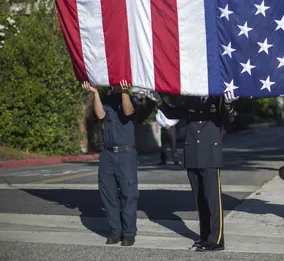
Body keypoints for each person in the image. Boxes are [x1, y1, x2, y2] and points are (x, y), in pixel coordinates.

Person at [147, 91, 236, 252]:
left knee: (213, 200)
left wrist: (229, 105)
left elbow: (228, 122)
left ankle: (216, 240)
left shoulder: (218, 97)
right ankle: (204, 236)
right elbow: (172, 112)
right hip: (192, 154)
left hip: (210, 155)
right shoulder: (190, 98)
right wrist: (159, 101)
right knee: (200, 199)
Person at [82, 80, 140, 247]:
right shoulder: (106, 101)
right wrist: (95, 93)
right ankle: (115, 231)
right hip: (108, 153)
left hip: (126, 154)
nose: (116, 84)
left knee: (128, 194)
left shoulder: (132, 99)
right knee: (108, 193)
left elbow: (128, 111)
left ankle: (129, 233)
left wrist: (124, 91)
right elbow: (100, 115)